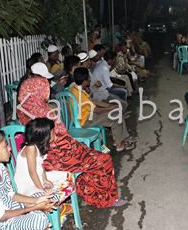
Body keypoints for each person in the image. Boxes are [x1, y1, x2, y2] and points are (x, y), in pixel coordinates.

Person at [17, 63, 126, 208]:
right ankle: (106, 199)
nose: (47, 91)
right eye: (45, 87)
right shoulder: (40, 111)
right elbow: (52, 140)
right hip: (57, 155)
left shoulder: (26, 107)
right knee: (103, 160)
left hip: (60, 150)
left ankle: (89, 192)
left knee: (96, 157)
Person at [70, 68, 135, 152]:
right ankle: (119, 144)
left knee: (116, 111)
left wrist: (109, 106)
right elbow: (97, 110)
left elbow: (93, 101)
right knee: (116, 115)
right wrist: (110, 108)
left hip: (87, 115)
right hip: (85, 120)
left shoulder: (75, 88)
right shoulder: (79, 94)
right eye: (89, 79)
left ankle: (121, 138)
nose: (90, 80)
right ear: (84, 81)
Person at [15, 118, 74, 200]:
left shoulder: (40, 146)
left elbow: (41, 166)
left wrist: (45, 180)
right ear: (45, 136)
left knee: (67, 175)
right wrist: (42, 190)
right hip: (28, 182)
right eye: (52, 132)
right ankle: (49, 201)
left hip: (37, 177)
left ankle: (53, 199)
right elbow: (32, 172)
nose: (55, 134)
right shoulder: (31, 148)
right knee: (49, 195)